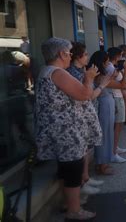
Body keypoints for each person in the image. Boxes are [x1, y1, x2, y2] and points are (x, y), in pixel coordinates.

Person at [35, 37, 100, 220]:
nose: (71, 55)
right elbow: (84, 94)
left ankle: (69, 204)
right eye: (69, 52)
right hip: (65, 132)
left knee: (67, 168)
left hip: (58, 130)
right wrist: (88, 79)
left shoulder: (46, 71)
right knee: (73, 169)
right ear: (62, 53)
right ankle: (74, 210)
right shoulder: (57, 73)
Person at [67, 42, 108, 195]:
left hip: (86, 114)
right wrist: (102, 85)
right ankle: (82, 182)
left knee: (85, 149)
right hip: (80, 115)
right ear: (77, 56)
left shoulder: (81, 70)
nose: (87, 57)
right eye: (85, 54)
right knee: (81, 150)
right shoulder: (73, 73)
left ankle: (85, 178)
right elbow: (88, 96)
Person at [107, 47, 126, 163]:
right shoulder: (110, 68)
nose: (122, 58)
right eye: (121, 55)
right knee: (117, 126)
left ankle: (115, 147)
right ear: (116, 56)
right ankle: (113, 152)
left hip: (118, 97)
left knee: (118, 126)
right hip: (116, 98)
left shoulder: (113, 67)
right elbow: (124, 84)